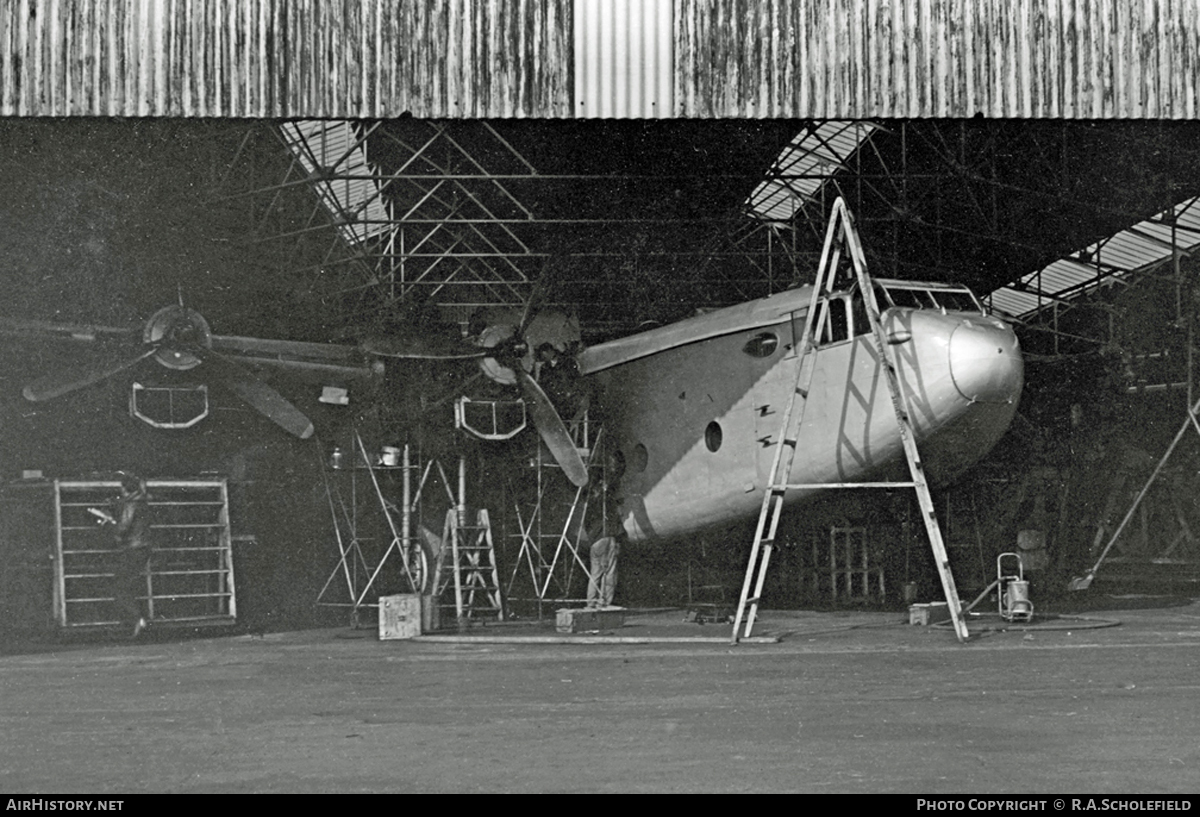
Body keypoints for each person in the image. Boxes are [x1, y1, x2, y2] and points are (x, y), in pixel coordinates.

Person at [111, 473, 153, 638]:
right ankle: (137, 618)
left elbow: (124, 527)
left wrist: (113, 527)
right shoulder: (144, 502)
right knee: (130, 583)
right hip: (144, 547)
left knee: (121, 587)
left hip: (133, 548)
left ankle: (137, 618)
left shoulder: (131, 504)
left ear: (125, 488)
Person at [586, 534, 620, 609]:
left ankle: (591, 602)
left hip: (594, 543)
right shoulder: (608, 522)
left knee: (595, 575)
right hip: (607, 539)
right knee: (609, 573)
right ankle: (605, 602)